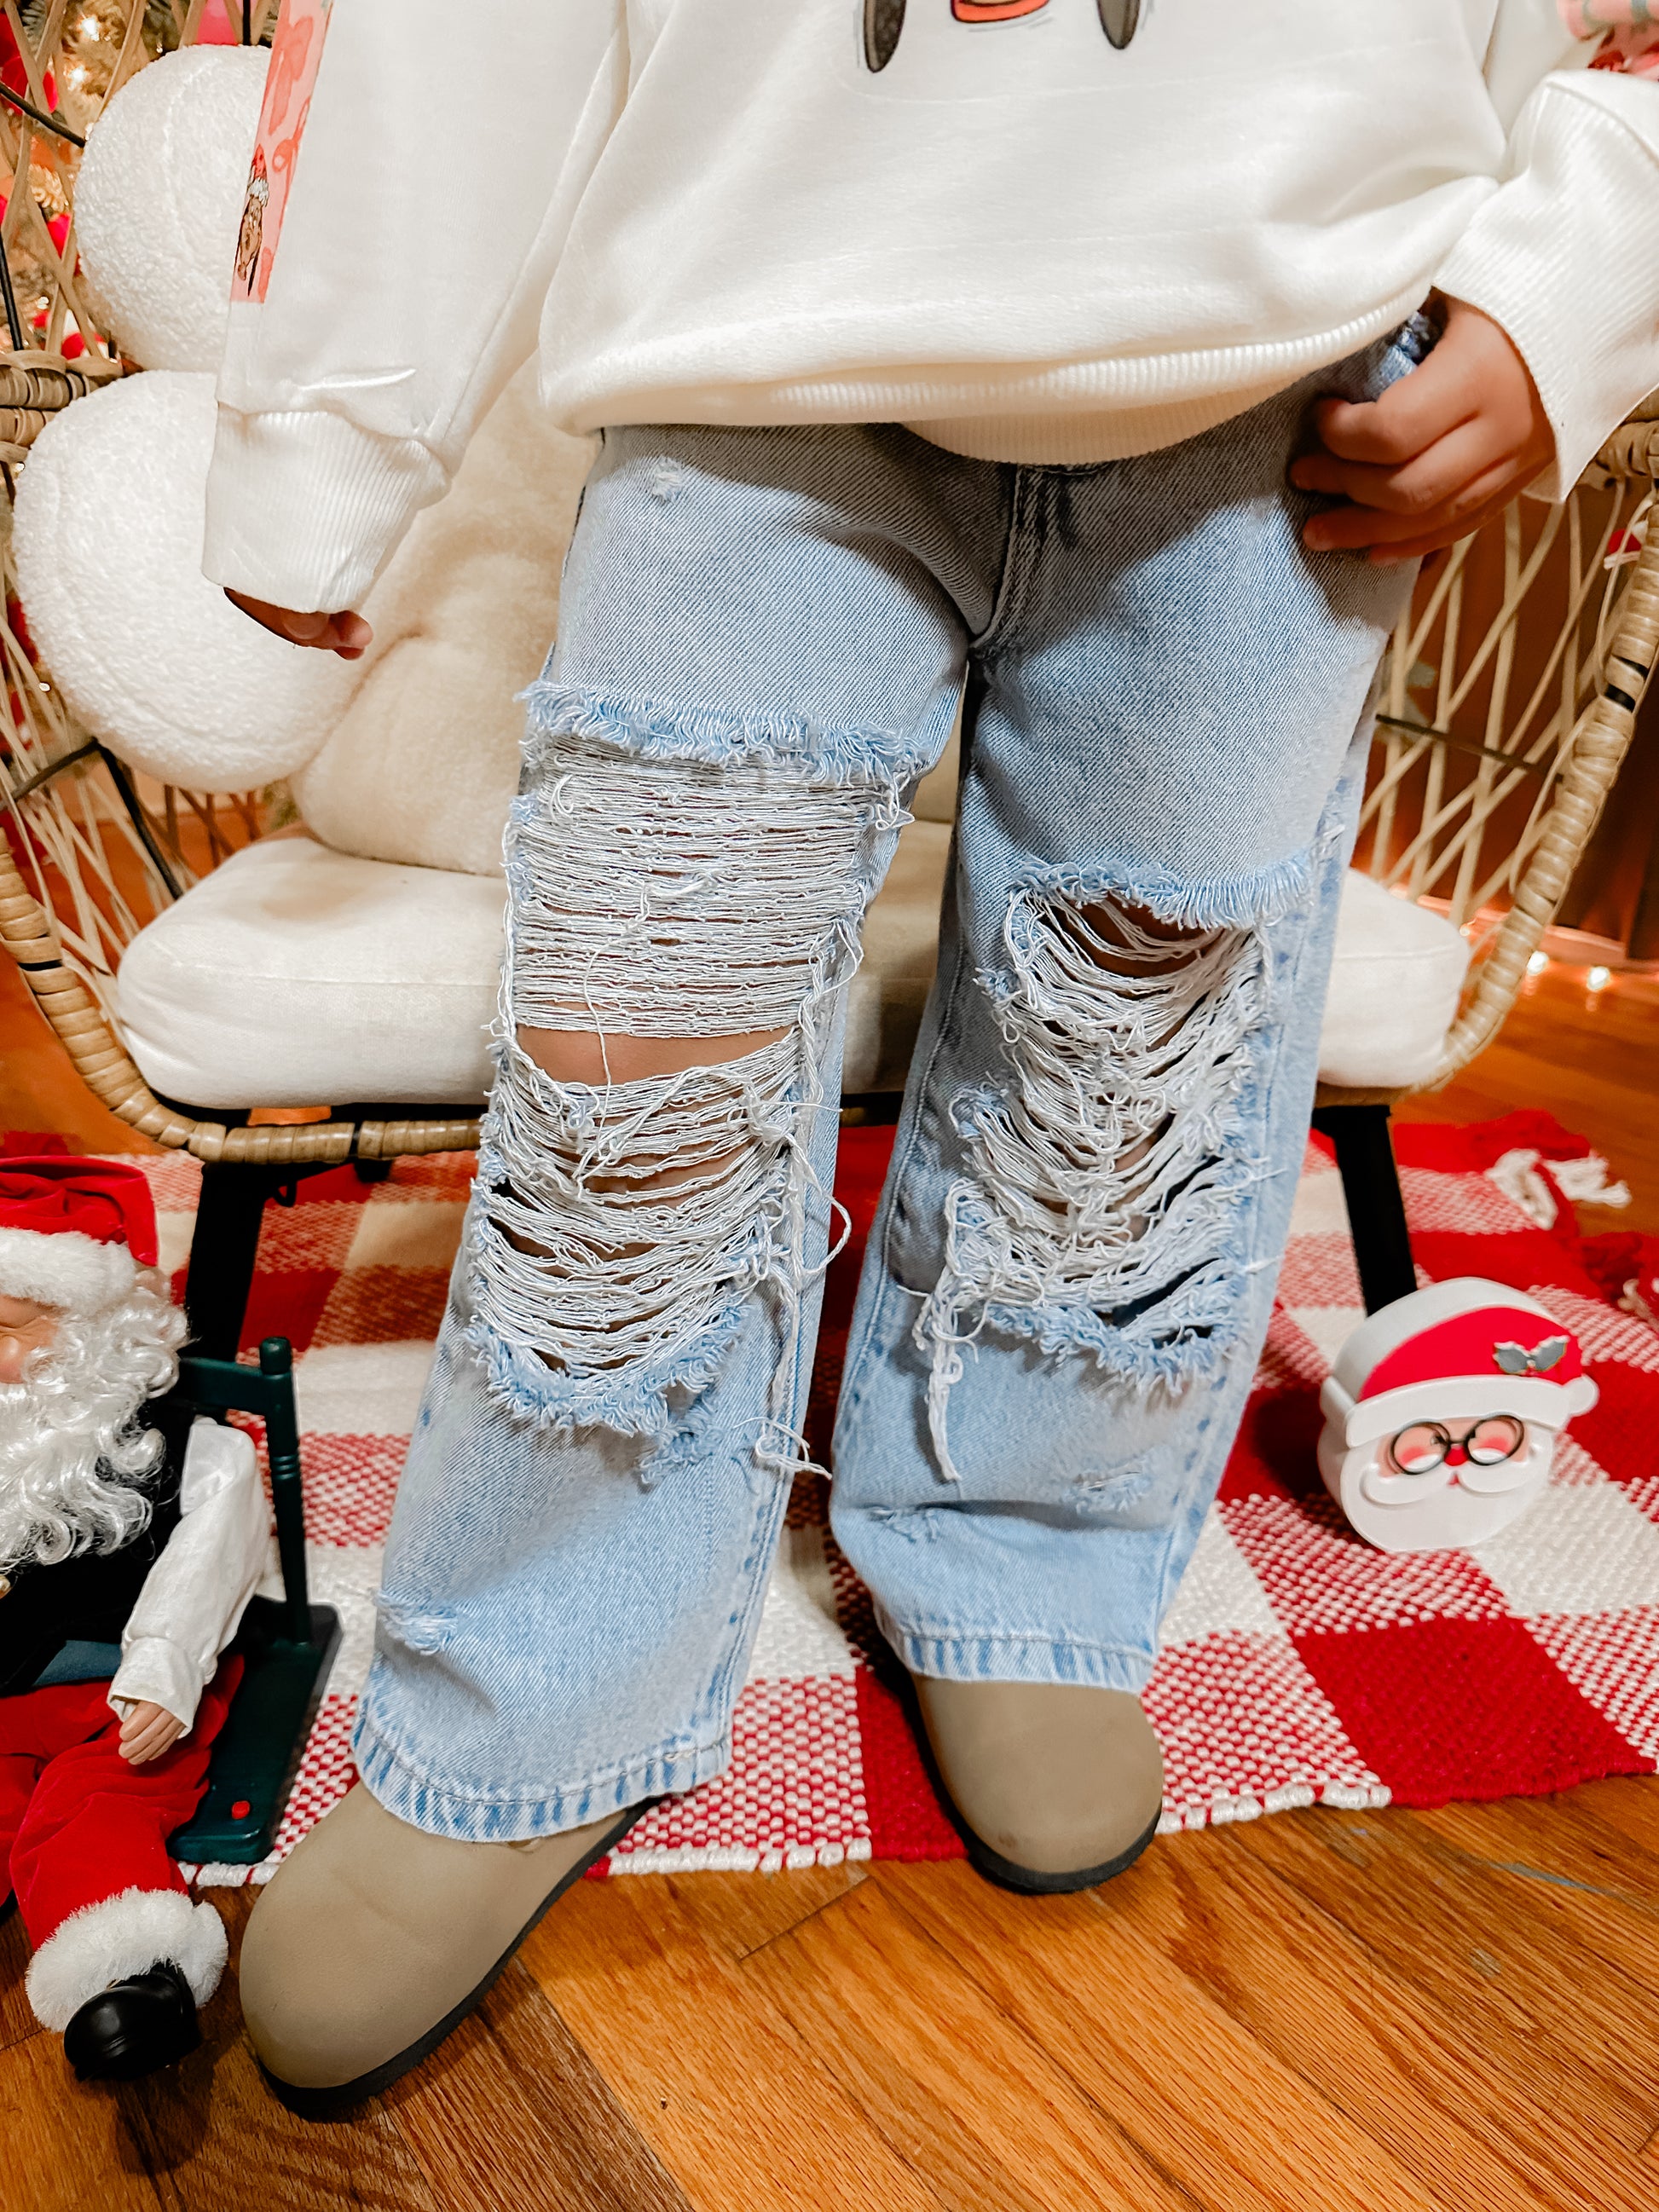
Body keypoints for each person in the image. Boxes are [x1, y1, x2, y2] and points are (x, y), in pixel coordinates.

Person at [202, 0, 1659, 2112]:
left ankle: (1024, 1558)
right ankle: (540, 1670)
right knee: (638, 1067)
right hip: (753, 328)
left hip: (1288, 359)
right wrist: (334, 427)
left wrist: (1578, 276)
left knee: (1125, 1063)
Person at [0, 1158, 268, 2078]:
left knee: (93, 1804)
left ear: (94, 1331)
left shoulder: (194, 1449)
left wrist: (163, 1668)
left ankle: (130, 1973)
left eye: (7, 1332)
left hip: (113, 1690)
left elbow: (207, 1564)